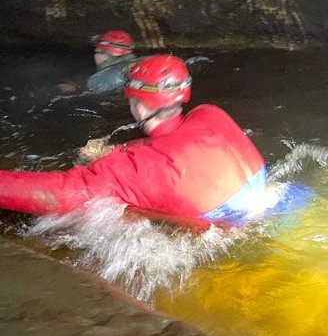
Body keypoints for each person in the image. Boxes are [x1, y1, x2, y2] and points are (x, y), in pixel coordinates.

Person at [0, 55, 312, 230]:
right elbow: (175, 147)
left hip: (227, 233)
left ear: (138, 104)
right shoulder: (211, 114)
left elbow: (60, 195)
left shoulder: (129, 171)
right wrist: (120, 148)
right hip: (286, 204)